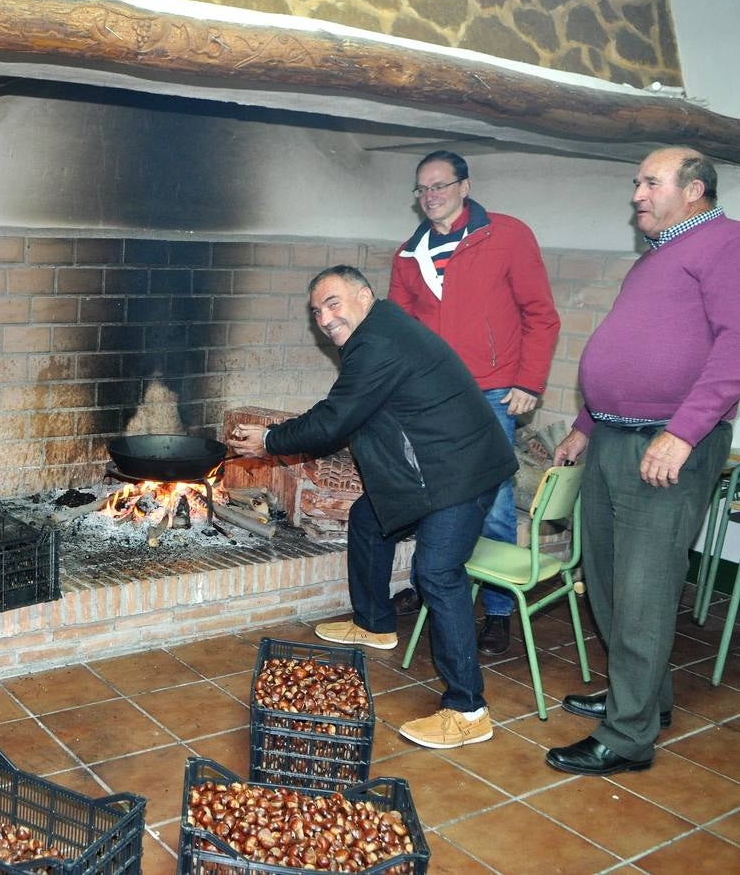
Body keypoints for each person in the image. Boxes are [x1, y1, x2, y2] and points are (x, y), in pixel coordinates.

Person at [227, 265, 515, 749]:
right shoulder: (381, 331)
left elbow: (335, 418)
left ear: (364, 296)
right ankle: (374, 623)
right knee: (368, 519)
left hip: (458, 472)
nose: (325, 317)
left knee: (438, 574)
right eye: (317, 311)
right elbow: (352, 412)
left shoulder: (378, 341)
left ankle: (468, 710)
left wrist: (272, 439)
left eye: (334, 303)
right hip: (441, 463)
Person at [545, 147, 740, 776]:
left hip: (664, 445)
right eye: (636, 182)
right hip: (612, 438)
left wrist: (683, 433)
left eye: (649, 182)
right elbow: (626, 349)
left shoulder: (725, 243)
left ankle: (627, 738)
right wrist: (583, 425)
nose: (635, 194)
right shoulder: (659, 257)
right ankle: (643, 701)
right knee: (602, 576)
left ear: (694, 190)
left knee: (643, 591)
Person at [388, 150, 560, 655]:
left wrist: (529, 380)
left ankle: (500, 612)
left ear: (465, 186)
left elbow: (541, 315)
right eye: (422, 189)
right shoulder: (408, 254)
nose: (431, 196)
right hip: (432, 397)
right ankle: (439, 588)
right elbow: (401, 332)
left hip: (491, 391)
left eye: (440, 185)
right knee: (435, 493)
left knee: (495, 500)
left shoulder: (506, 234)